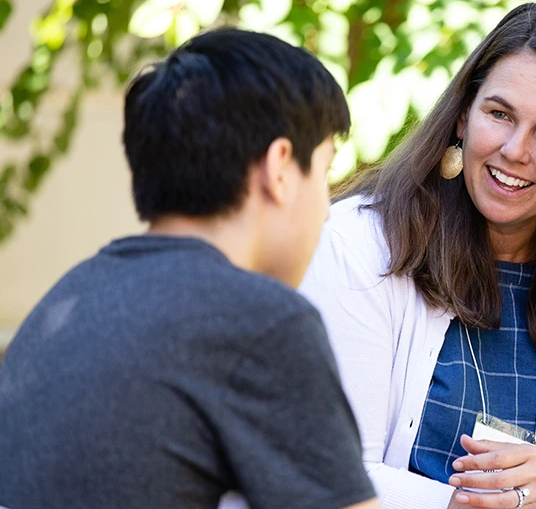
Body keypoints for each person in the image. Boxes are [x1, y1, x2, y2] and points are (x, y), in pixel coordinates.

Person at [300, 3, 536, 509]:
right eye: (499, 114)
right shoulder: (364, 245)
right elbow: (336, 478)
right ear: (463, 115)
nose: (514, 149)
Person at [0, 28, 378, 509]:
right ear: (279, 167)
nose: (327, 209)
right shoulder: (261, 322)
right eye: (325, 172)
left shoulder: (66, 299)